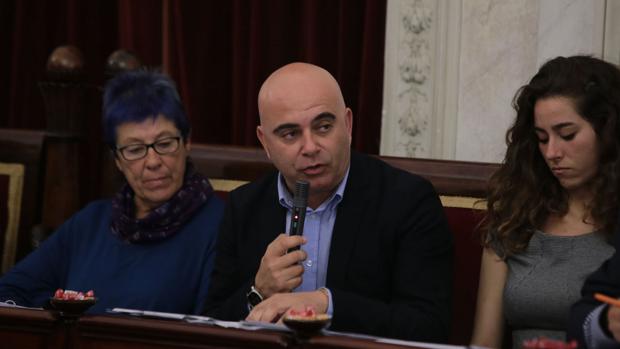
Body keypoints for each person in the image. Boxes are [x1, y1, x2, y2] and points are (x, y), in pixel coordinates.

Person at [203, 62, 453, 341]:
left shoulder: (407, 200)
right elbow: (213, 323)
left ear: (347, 124)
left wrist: (326, 304)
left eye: (323, 127)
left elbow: (429, 326)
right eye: (290, 134)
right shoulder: (244, 206)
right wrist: (258, 290)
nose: (310, 147)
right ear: (265, 143)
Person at [0, 70, 224, 314]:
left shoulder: (220, 226)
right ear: (117, 158)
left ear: (187, 142)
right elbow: (11, 291)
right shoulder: (91, 222)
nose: (152, 161)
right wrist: (62, 313)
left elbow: (211, 327)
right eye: (134, 149)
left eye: (164, 143)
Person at [471, 55, 619, 349]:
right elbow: (483, 343)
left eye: (567, 135)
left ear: (608, 132)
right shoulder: (514, 217)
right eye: (541, 138)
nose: (552, 152)